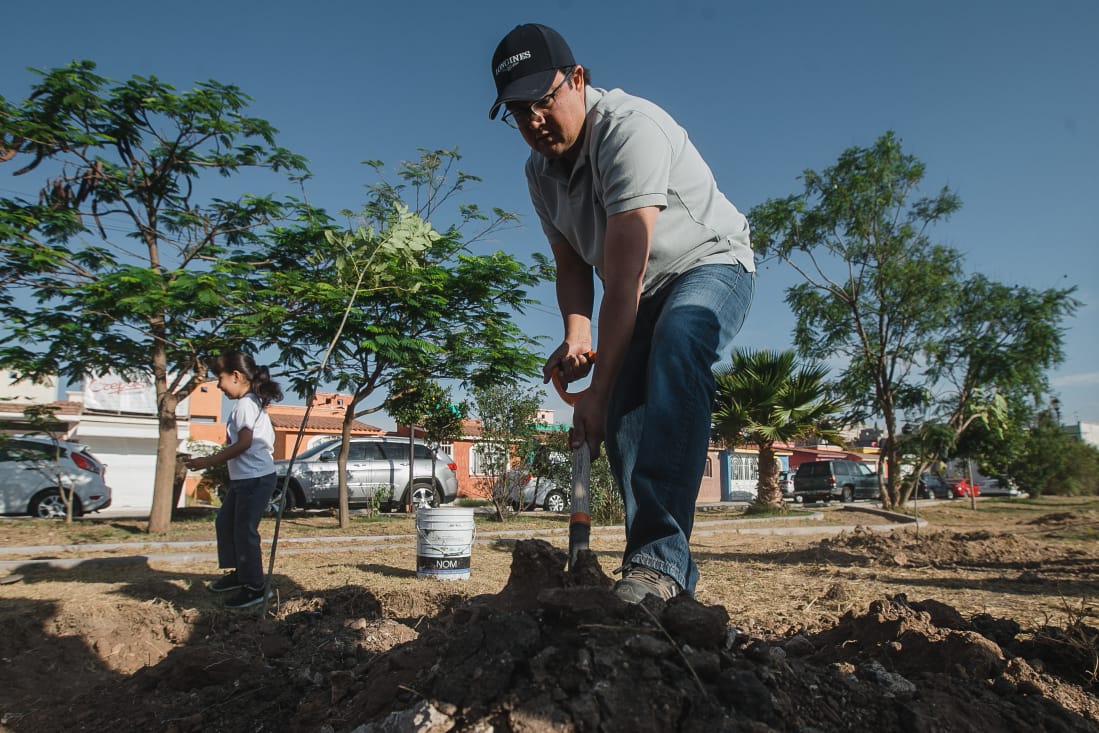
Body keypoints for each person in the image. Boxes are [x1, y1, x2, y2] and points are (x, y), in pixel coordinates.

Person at [489, 24, 755, 603]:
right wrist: (576, 335)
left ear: (577, 79)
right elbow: (571, 264)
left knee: (677, 343)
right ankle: (658, 575)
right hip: (633, 292)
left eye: (543, 100)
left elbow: (625, 275)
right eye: (518, 112)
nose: (534, 120)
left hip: (707, 264)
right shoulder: (539, 174)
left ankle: (659, 561)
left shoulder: (630, 129)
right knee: (625, 417)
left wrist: (598, 392)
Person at [185, 352, 283, 610]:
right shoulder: (248, 403)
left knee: (244, 531)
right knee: (225, 523)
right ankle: (241, 573)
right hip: (245, 479)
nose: (218, 385)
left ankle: (255, 587)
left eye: (220, 378)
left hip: (255, 478)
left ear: (236, 376)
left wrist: (208, 461)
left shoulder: (245, 405)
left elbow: (244, 443)